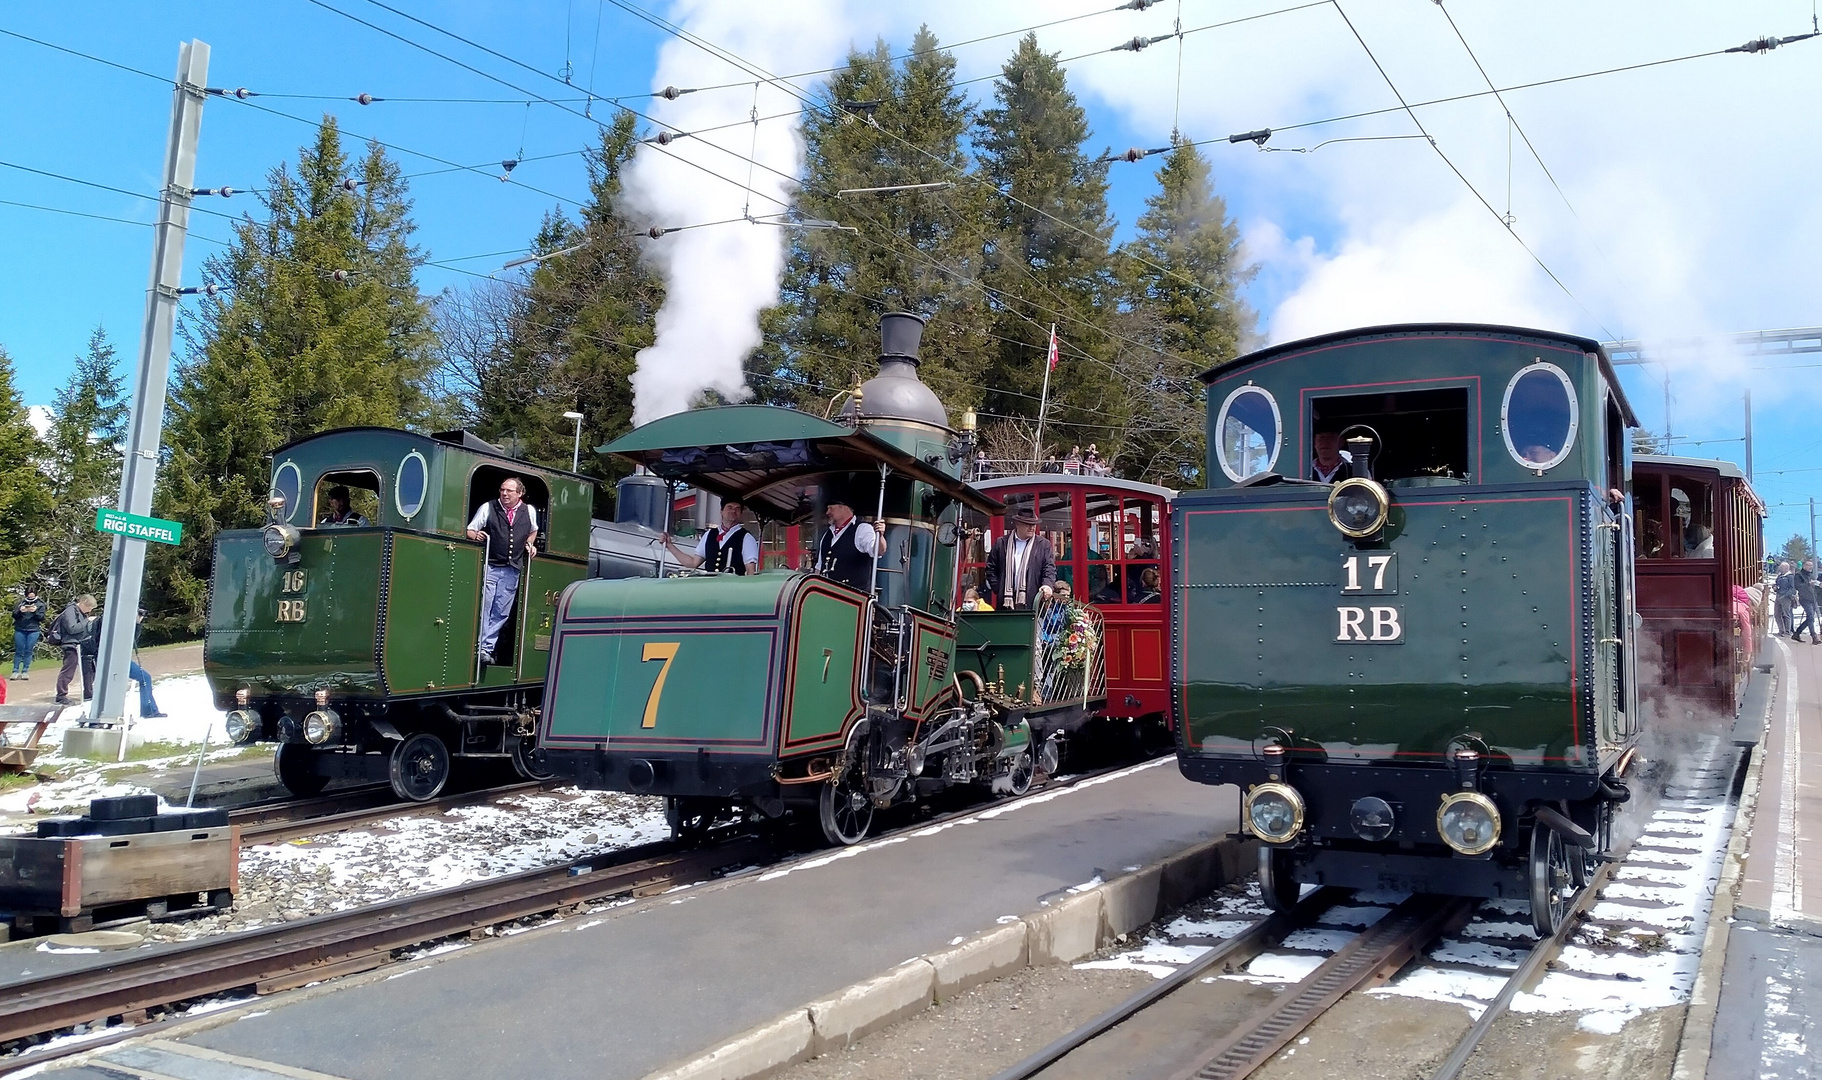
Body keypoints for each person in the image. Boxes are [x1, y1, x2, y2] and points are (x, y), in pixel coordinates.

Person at [466, 477, 540, 665]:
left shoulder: (529, 511)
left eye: (509, 491)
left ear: (519, 493)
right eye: (502, 490)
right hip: (491, 565)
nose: (504, 494)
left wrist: (530, 544)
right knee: (486, 607)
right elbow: (470, 530)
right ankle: (480, 648)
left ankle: (486, 648)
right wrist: (477, 535)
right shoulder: (488, 507)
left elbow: (533, 530)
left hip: (512, 569)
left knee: (501, 612)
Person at [983, 508, 1057, 611]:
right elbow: (990, 569)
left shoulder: (1043, 544)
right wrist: (999, 588)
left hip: (1032, 603)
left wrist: (1047, 585)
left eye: (1034, 525)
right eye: (1028, 524)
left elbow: (1049, 568)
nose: (1032, 528)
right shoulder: (1002, 543)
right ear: (1017, 524)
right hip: (1006, 603)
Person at [666, 497, 759, 575]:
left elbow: (750, 570)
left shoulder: (746, 538)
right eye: (729, 507)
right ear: (721, 511)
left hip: (732, 590)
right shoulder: (709, 534)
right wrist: (670, 546)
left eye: (737, 509)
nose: (733, 511)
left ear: (741, 513)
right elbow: (693, 563)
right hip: (710, 588)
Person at [814, 492, 884, 593]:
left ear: (843, 507)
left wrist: (880, 536)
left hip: (853, 600)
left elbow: (878, 551)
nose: (827, 512)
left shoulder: (862, 529)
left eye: (831, 508)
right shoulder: (827, 535)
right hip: (829, 597)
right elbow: (819, 568)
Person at [50, 593, 95, 706]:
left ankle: (89, 693)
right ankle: (61, 695)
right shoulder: (70, 611)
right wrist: (87, 621)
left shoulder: (81, 613)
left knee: (90, 669)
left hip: (82, 644)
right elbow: (72, 628)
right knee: (68, 670)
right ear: (83, 603)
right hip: (70, 644)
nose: (89, 610)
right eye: (89, 607)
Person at [11, 586, 44, 680]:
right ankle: (15, 671)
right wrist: (20, 611)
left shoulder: (40, 604)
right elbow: (14, 615)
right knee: (19, 650)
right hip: (20, 629)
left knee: (28, 650)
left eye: (32, 597)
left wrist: (35, 611)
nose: (30, 599)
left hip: (33, 630)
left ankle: (25, 670)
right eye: (29, 597)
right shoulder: (21, 603)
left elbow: (41, 618)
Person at [1799, 563, 1820, 644]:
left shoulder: (1811, 575)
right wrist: (1808, 584)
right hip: (1804, 599)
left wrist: (1818, 585)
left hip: (1813, 599)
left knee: (1810, 618)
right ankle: (1814, 636)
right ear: (1804, 566)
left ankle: (1797, 633)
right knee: (1810, 617)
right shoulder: (1799, 575)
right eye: (1809, 565)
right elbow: (1797, 586)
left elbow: (1814, 586)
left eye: (1811, 565)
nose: (1811, 567)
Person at [1774, 561, 1797, 637]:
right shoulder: (1780, 576)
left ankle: (1787, 631)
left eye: (1782, 567)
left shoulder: (1790, 576)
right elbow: (1777, 584)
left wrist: (1785, 595)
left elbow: (1792, 588)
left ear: (1786, 568)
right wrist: (1775, 587)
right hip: (1778, 596)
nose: (1780, 568)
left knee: (1786, 614)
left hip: (1786, 598)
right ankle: (1781, 630)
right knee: (1777, 614)